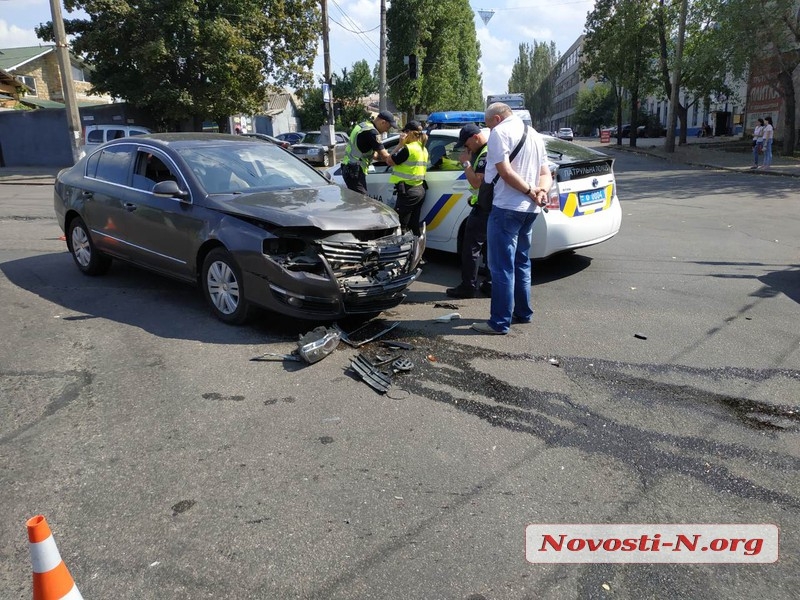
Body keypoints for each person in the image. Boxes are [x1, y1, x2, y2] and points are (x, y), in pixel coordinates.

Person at [471, 103, 551, 335]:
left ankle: (499, 322)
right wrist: (540, 192)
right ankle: (523, 313)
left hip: (507, 207)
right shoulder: (534, 134)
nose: (488, 129)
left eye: (488, 124)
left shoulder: (500, 133)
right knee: (521, 262)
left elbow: (504, 172)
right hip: (530, 210)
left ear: (496, 119)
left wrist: (528, 191)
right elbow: (545, 174)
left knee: (501, 267)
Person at [446, 123, 492, 299]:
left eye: (466, 144)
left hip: (483, 208)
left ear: (475, 138)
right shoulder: (487, 150)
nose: (466, 148)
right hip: (489, 206)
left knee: (470, 249)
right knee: (489, 249)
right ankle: (490, 284)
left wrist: (466, 163)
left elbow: (477, 182)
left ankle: (468, 287)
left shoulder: (484, 154)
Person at [341, 110, 397, 195]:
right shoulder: (372, 132)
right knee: (362, 202)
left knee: (357, 201)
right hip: (354, 170)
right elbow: (385, 156)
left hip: (350, 168)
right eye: (388, 127)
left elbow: (374, 156)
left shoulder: (363, 126)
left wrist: (383, 159)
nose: (387, 131)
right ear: (383, 122)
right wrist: (399, 155)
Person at [389, 120, 428, 236]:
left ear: (409, 133)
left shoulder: (408, 149)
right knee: (413, 225)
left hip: (409, 191)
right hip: (419, 190)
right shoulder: (423, 148)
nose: (402, 136)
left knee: (401, 226)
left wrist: (400, 144)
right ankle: (416, 251)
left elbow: (389, 161)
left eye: (404, 133)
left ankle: (402, 252)